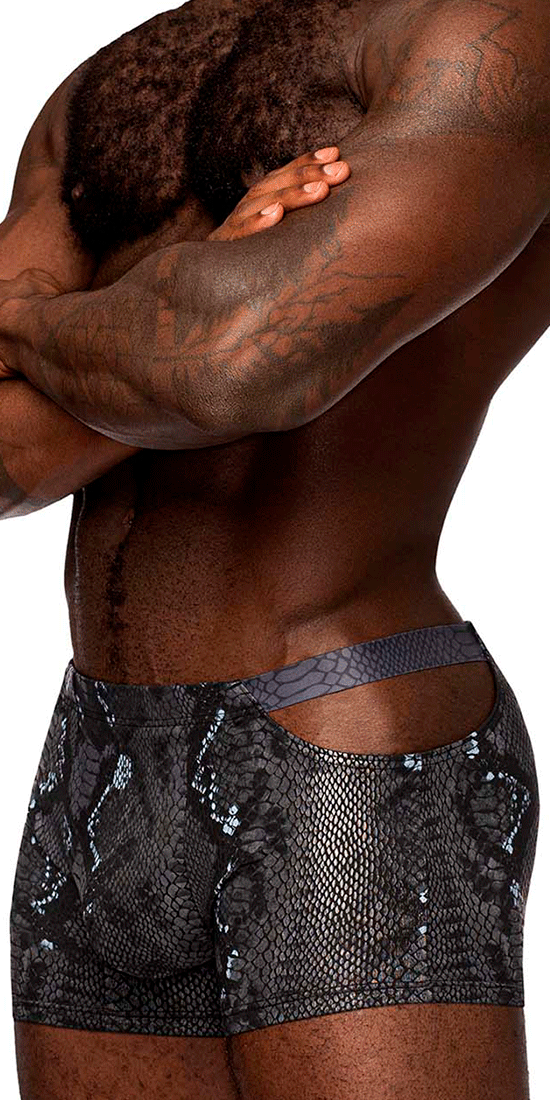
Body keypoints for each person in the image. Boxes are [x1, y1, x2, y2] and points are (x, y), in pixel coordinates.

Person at [0, 1, 548, 1097]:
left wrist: (25, 320)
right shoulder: (112, 80)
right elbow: (16, 460)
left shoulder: (485, 32)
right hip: (97, 758)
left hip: (339, 728)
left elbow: (241, 369)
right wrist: (190, 290)